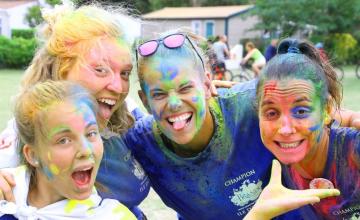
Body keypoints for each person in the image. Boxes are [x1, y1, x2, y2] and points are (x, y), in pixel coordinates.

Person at [121, 30, 341, 219]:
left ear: (207, 85)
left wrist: (344, 118)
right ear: (145, 100)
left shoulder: (251, 105)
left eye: (186, 88)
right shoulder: (140, 143)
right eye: (159, 94)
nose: (175, 103)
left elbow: (315, 114)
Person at [0, 3, 151, 219]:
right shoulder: (30, 131)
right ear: (63, 69)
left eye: (125, 73)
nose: (118, 87)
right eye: (100, 70)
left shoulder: (126, 116)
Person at [0, 81, 135, 219]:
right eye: (64, 140)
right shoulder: (5, 191)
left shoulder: (112, 216)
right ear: (33, 155)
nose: (86, 151)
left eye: (91, 133)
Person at [257, 38, 360, 219]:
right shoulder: (272, 162)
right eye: (272, 113)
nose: (285, 130)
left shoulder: (353, 150)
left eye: (301, 111)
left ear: (327, 110)